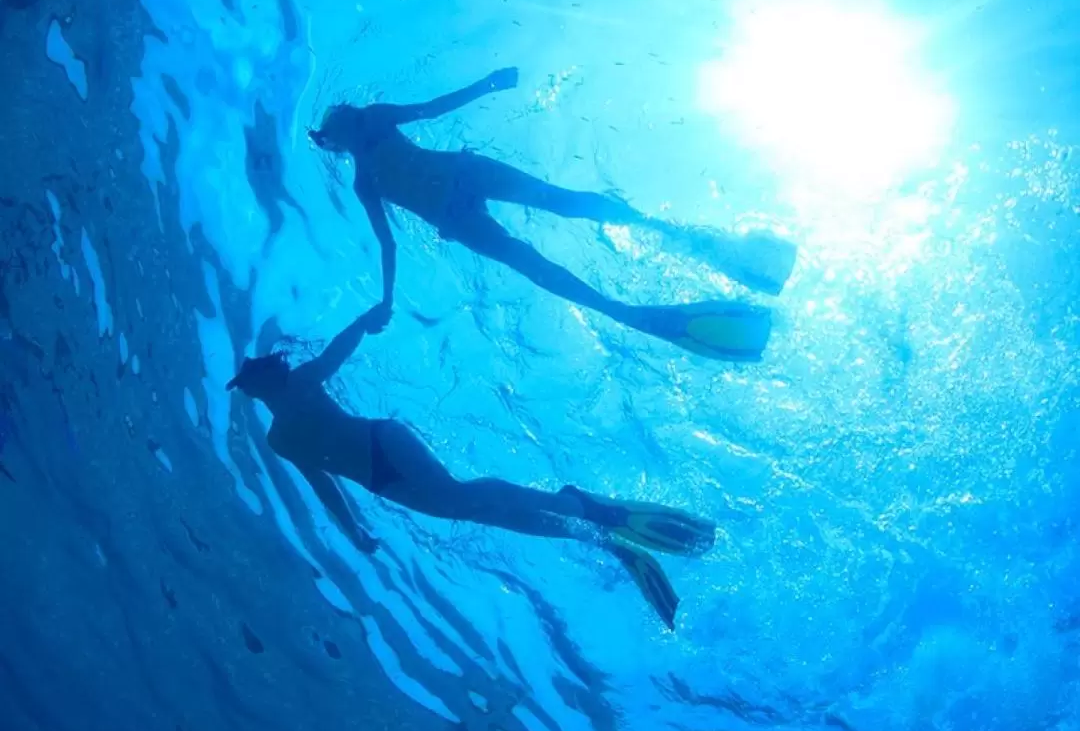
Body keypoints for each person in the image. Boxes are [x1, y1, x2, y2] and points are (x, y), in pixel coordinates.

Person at [228, 303, 716, 629]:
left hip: (384, 443)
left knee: (460, 496)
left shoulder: (303, 382)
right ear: (253, 388)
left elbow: (339, 349)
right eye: (259, 371)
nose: (269, 370)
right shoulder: (280, 439)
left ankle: (580, 506)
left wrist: (365, 319)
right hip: (379, 479)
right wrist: (354, 531)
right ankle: (590, 532)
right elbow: (323, 485)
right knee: (478, 510)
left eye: (262, 367)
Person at [309, 68, 797, 362]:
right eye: (336, 127)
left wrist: (488, 84)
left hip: (466, 176)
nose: (345, 121)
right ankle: (621, 312)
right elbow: (387, 244)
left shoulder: (376, 117)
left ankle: (675, 234)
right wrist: (388, 298)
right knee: (533, 265)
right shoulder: (362, 181)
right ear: (336, 141)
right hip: (457, 218)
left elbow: (433, 107)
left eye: (341, 117)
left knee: (559, 200)